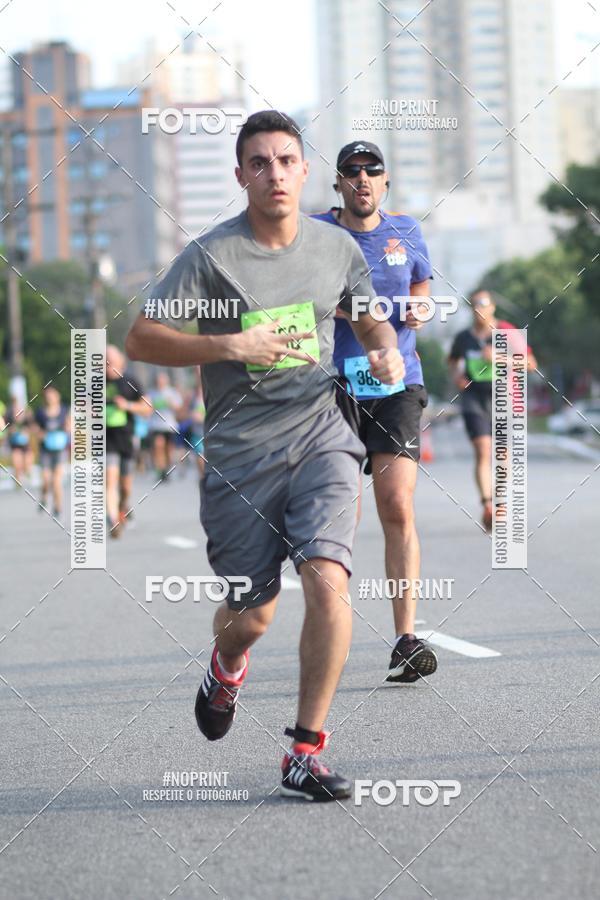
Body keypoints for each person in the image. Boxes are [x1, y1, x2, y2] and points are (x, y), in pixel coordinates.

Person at [126, 110, 405, 801]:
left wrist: (382, 342)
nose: (275, 173)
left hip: (321, 435)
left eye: (286, 160)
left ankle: (305, 752)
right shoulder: (211, 256)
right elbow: (140, 337)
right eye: (260, 162)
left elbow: (364, 309)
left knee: (329, 577)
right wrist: (226, 346)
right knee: (252, 615)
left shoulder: (335, 247)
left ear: (305, 171)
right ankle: (226, 664)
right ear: (241, 174)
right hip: (240, 454)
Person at [313, 141, 438, 684]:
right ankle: (332, 631)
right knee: (342, 515)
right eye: (352, 172)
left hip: (397, 383)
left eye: (372, 171)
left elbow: (422, 286)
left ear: (386, 182)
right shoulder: (316, 233)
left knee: (398, 507)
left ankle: (406, 639)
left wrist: (423, 307)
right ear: (338, 184)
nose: (362, 179)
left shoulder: (407, 230)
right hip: (333, 382)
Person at [448, 289, 536, 531]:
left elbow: (530, 363)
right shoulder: (464, 337)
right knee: (483, 451)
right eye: (474, 304)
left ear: (493, 307)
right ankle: (487, 505)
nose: (479, 308)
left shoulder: (507, 332)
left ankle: (500, 503)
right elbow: (452, 361)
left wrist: (500, 359)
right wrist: (457, 377)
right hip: (474, 398)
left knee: (502, 456)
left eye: (483, 303)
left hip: (504, 398)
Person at [105, 345, 152, 538]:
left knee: (125, 486)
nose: (106, 364)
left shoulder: (131, 382)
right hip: (105, 438)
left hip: (126, 437)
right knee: (110, 481)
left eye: (110, 361)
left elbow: (147, 408)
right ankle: (113, 521)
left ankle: (123, 506)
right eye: (103, 361)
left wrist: (127, 406)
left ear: (120, 362)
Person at [34, 386, 70, 518]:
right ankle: (44, 497)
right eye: (48, 396)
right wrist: (40, 433)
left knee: (56, 481)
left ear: (57, 396)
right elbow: (35, 428)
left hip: (60, 449)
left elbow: (70, 425)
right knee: (45, 480)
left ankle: (58, 508)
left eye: (52, 395)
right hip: (45, 449)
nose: (50, 398)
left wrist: (68, 428)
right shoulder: (40, 413)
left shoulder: (64, 410)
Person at [148, 371, 182, 480]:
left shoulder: (172, 392)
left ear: (166, 381)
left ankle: (166, 469)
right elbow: (147, 408)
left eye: (162, 380)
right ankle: (160, 470)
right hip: (155, 425)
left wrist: (171, 403)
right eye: (158, 380)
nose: (160, 382)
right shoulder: (152, 393)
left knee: (168, 449)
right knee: (158, 446)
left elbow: (179, 408)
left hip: (169, 425)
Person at [4, 396, 34, 485]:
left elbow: (33, 428)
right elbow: (4, 429)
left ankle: (26, 474)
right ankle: (18, 481)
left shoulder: (27, 416)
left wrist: (27, 431)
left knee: (27, 465)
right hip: (15, 445)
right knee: (17, 465)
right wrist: (10, 431)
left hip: (26, 444)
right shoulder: (8, 415)